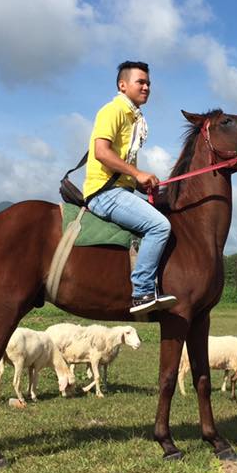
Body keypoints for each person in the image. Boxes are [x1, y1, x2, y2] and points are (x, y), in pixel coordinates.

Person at [83, 60, 176, 316]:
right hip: (104, 193)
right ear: (122, 85)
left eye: (148, 83)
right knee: (159, 226)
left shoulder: (133, 117)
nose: (146, 87)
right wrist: (137, 173)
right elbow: (101, 152)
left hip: (120, 190)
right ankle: (142, 292)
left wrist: (140, 182)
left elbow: (121, 167)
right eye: (140, 82)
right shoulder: (112, 111)